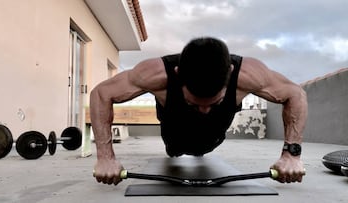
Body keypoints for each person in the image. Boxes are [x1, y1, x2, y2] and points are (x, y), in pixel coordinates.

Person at [90, 37, 308, 185]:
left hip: (213, 137)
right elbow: (101, 93)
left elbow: (295, 94)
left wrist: (291, 155)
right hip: (174, 137)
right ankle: (179, 142)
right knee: (174, 151)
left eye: (214, 103)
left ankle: (201, 138)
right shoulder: (155, 74)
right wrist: (105, 157)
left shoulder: (249, 74)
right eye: (194, 104)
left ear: (230, 74)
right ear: (177, 73)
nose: (204, 111)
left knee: (202, 149)